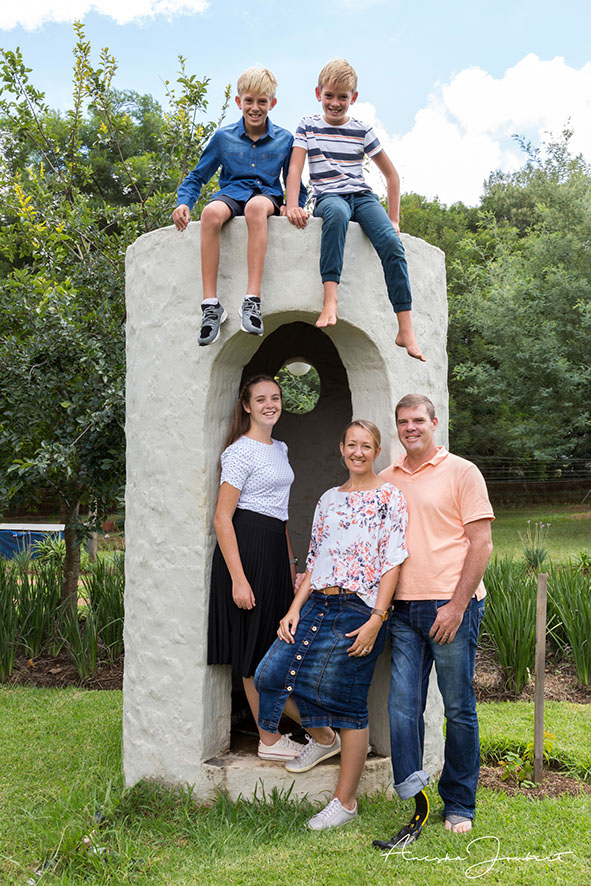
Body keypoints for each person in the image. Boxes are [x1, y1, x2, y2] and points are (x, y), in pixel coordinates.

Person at [255, 421, 408, 829]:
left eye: (366, 446)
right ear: (341, 448)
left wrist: (377, 618)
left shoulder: (390, 496)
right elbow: (314, 559)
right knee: (269, 676)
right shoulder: (328, 499)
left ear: (376, 451)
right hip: (317, 603)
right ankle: (324, 738)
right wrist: (293, 609)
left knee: (349, 704)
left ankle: (345, 802)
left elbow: (392, 561)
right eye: (351, 444)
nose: (358, 452)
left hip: (360, 609)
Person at [372, 393, 494, 850]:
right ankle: (415, 797)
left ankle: (459, 802)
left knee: (458, 707)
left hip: (450, 606)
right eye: (403, 421)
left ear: (434, 422)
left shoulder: (462, 472)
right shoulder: (387, 479)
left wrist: (457, 605)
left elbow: (481, 544)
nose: (411, 427)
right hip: (403, 609)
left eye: (418, 420)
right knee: (403, 707)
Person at [284, 58, 425, 362]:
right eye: (329, 96)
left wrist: (394, 219)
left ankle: (405, 327)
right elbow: (295, 170)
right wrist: (292, 205)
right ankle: (331, 299)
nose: (335, 103)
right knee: (335, 216)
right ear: (318, 93)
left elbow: (392, 176)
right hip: (329, 197)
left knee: (392, 243)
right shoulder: (308, 125)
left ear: (354, 97)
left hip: (362, 197)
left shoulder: (362, 130)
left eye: (342, 97)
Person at [172, 67, 306, 346]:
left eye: (262, 101)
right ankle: (211, 306)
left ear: (272, 103)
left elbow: (294, 180)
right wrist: (184, 202)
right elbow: (198, 176)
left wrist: (294, 206)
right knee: (210, 213)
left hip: (266, 196)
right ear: (238, 102)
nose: (255, 108)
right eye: (249, 101)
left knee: (255, 208)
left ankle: (252, 300)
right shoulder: (224, 138)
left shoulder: (284, 139)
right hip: (231, 193)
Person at [207, 375, 303, 761]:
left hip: (275, 552)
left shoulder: (281, 448)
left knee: (275, 645)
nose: (270, 404)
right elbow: (222, 518)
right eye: (261, 399)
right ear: (246, 406)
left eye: (275, 398)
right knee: (254, 650)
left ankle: (280, 729)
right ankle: (268, 740)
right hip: (247, 553)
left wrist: (291, 565)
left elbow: (281, 514)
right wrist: (238, 579)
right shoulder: (239, 452)